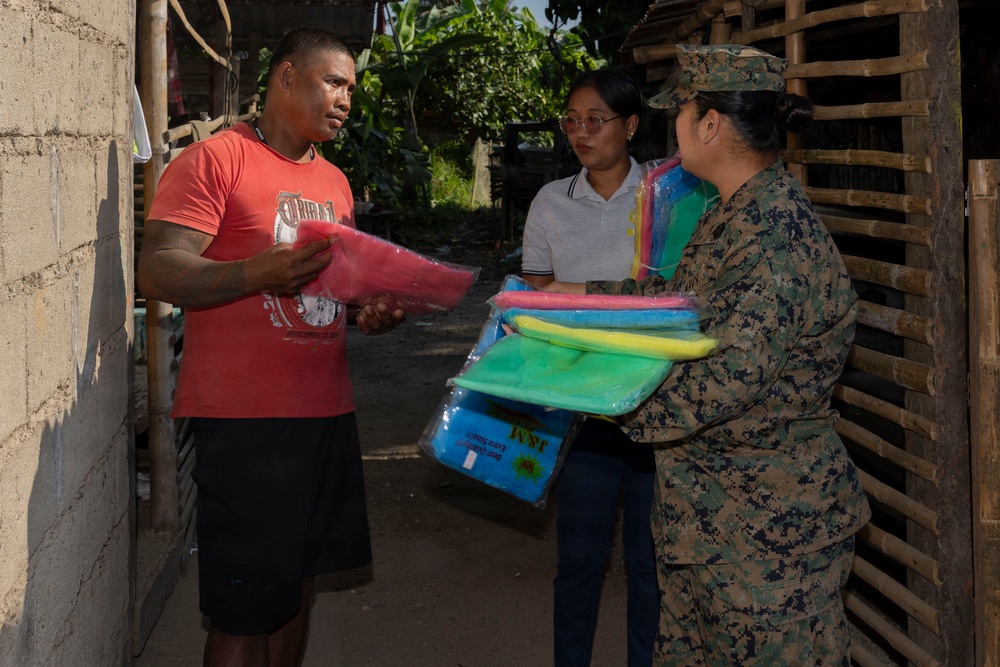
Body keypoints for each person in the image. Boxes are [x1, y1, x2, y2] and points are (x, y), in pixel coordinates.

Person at [547, 45, 872, 665]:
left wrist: (584, 390)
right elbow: (675, 307)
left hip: (771, 541)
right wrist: (574, 299)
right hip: (710, 522)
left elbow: (720, 383)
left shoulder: (777, 236)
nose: (675, 129)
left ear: (711, 124)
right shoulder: (732, 215)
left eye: (681, 113)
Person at [137, 27, 405, 667]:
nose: (345, 100)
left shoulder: (336, 182)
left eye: (351, 89)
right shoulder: (214, 161)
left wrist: (370, 309)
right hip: (244, 420)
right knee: (242, 606)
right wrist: (254, 272)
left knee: (296, 587)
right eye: (333, 82)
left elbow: (335, 288)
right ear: (285, 76)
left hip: (326, 412)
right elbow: (158, 270)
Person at [521, 69, 659, 666]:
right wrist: (629, 296)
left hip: (659, 403)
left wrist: (578, 293)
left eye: (595, 120)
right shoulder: (551, 201)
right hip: (581, 408)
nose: (581, 132)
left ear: (630, 126)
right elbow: (536, 296)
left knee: (650, 563)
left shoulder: (667, 193)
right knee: (578, 559)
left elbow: (680, 293)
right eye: (571, 120)